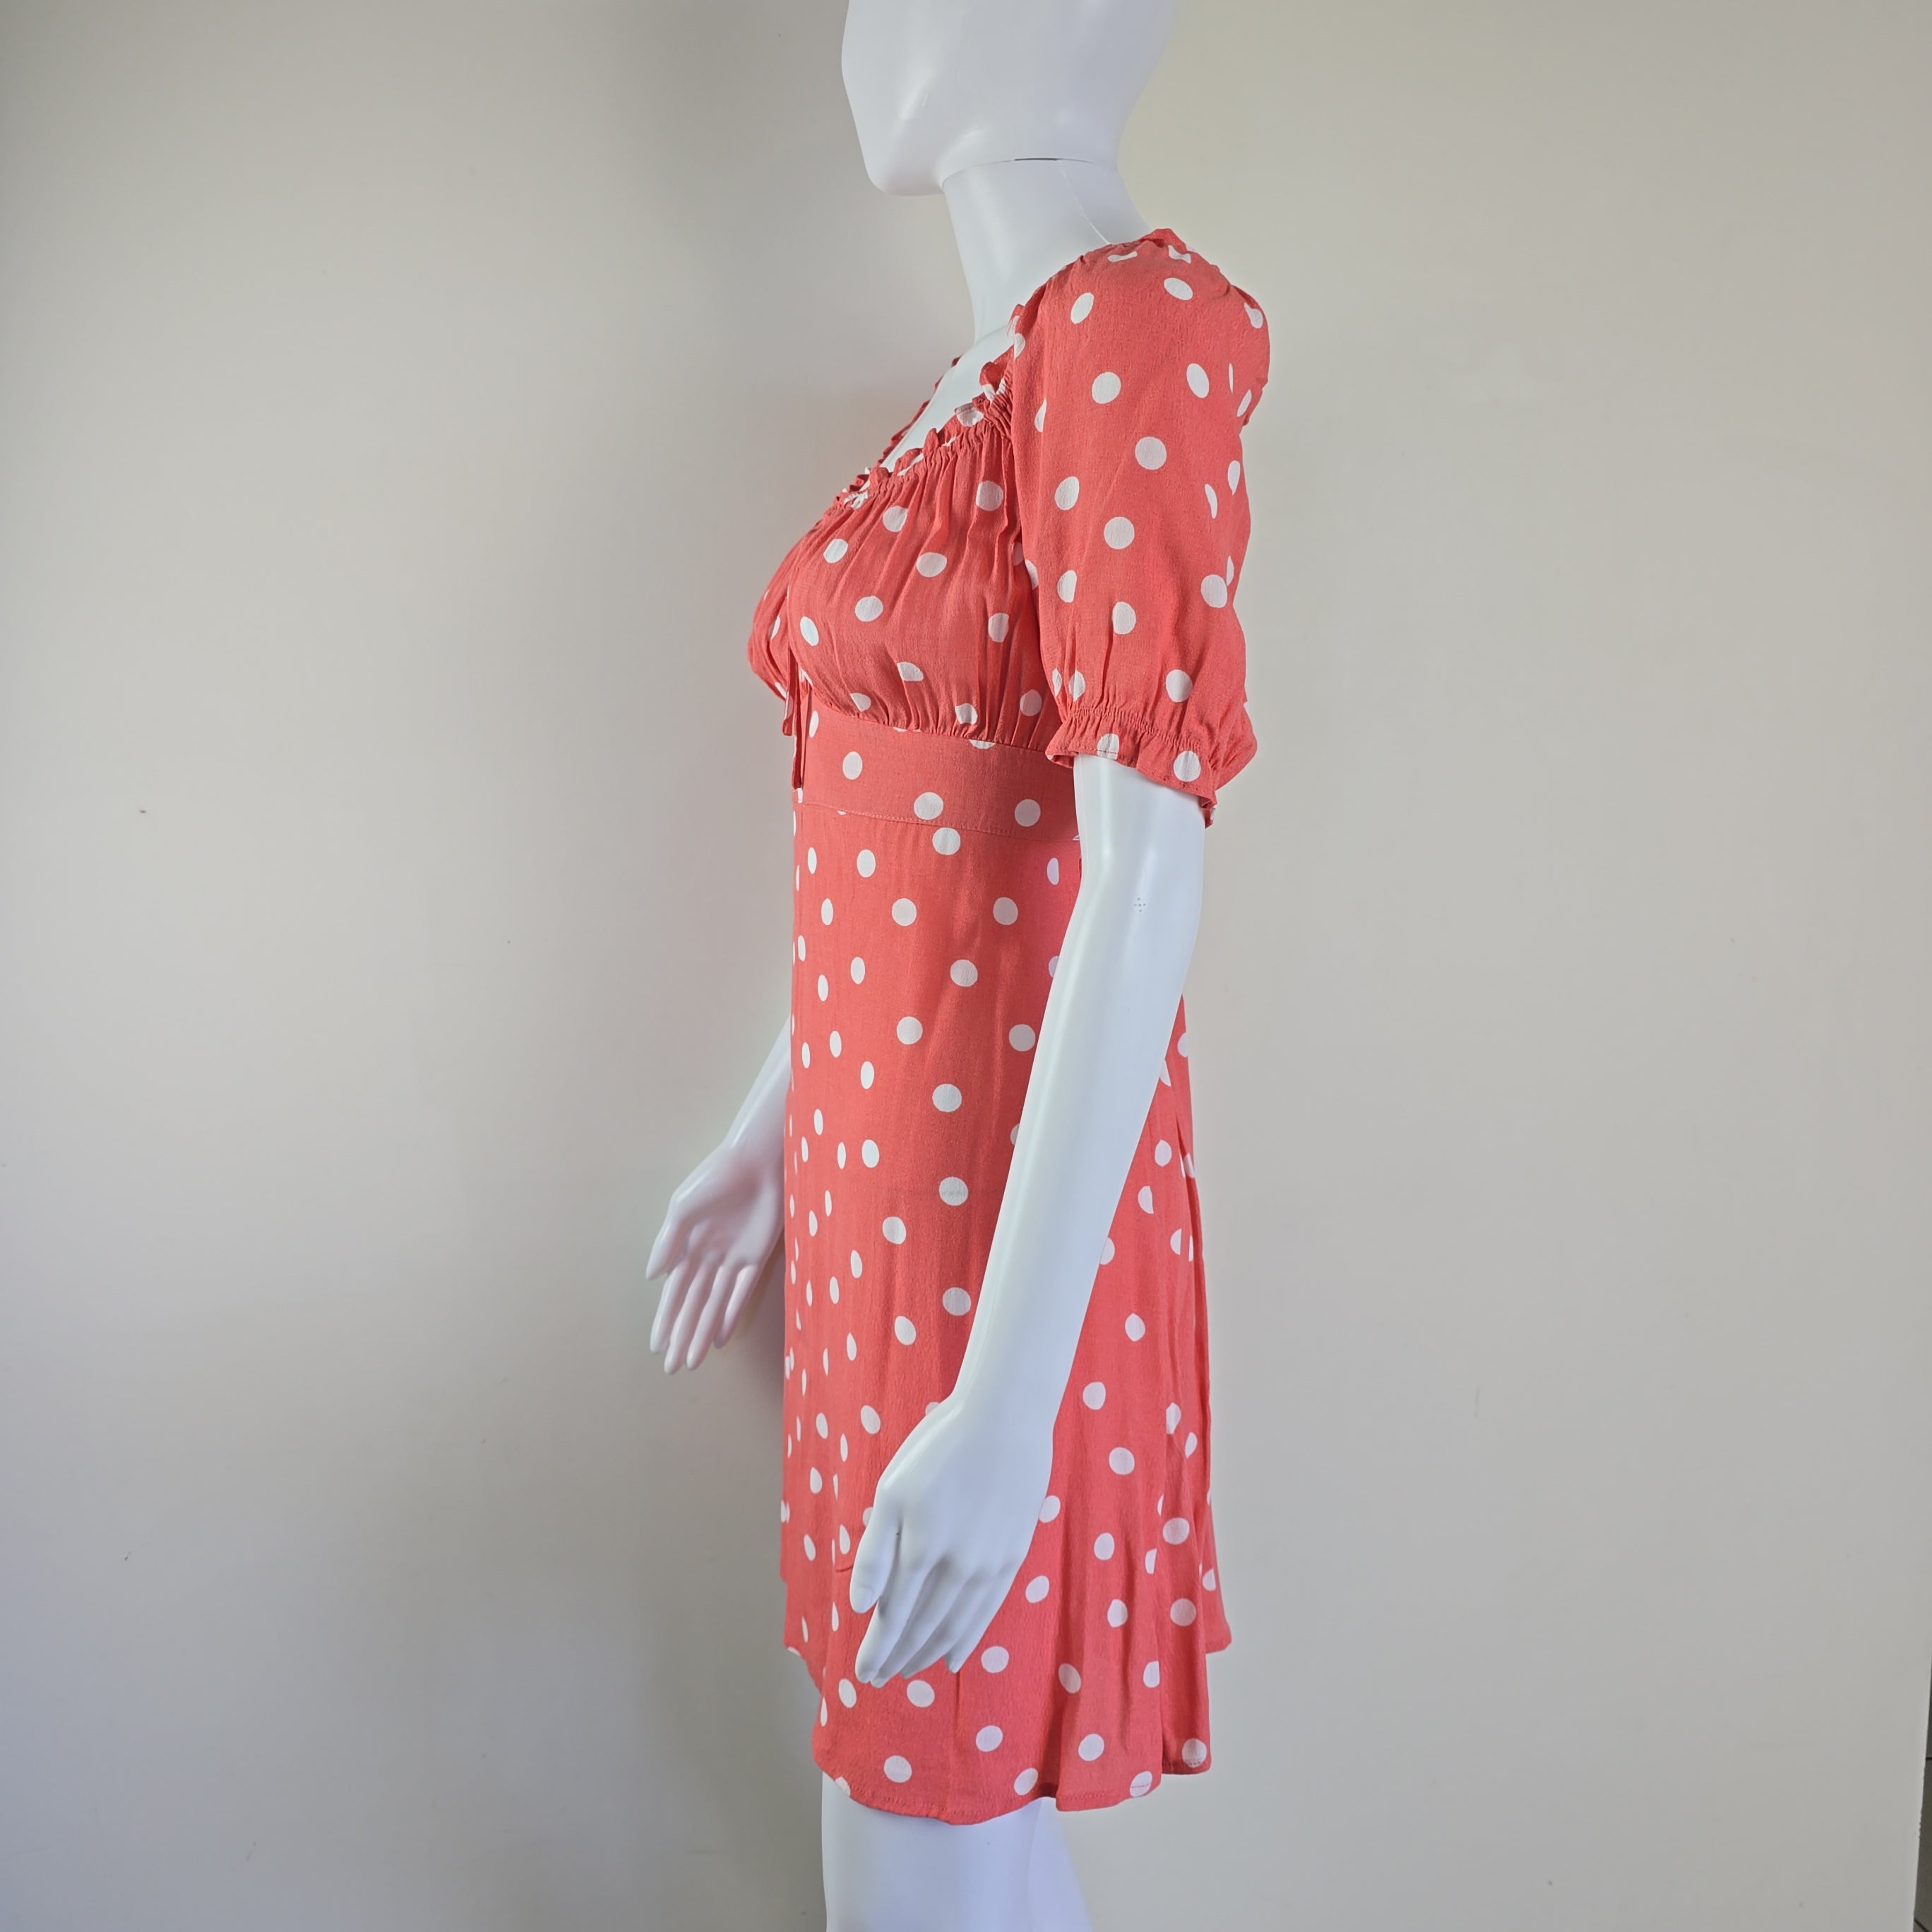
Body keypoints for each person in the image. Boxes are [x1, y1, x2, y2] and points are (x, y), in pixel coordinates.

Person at [644, 4, 1270, 1924]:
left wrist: (1008, 1408)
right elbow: (916, 843)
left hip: (990, 1235)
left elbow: (1148, 853)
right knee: (963, 1828)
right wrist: (774, 1124)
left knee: (917, 1831)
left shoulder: (1130, 331)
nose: (849, 36)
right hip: (869, 1188)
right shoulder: (988, 378)